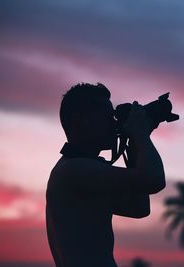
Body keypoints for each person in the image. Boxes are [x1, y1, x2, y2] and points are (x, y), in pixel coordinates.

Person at [46, 83, 165, 267]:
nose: (115, 124)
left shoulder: (79, 170)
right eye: (108, 117)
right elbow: (154, 180)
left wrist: (134, 143)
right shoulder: (75, 170)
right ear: (81, 121)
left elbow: (139, 208)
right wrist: (141, 135)